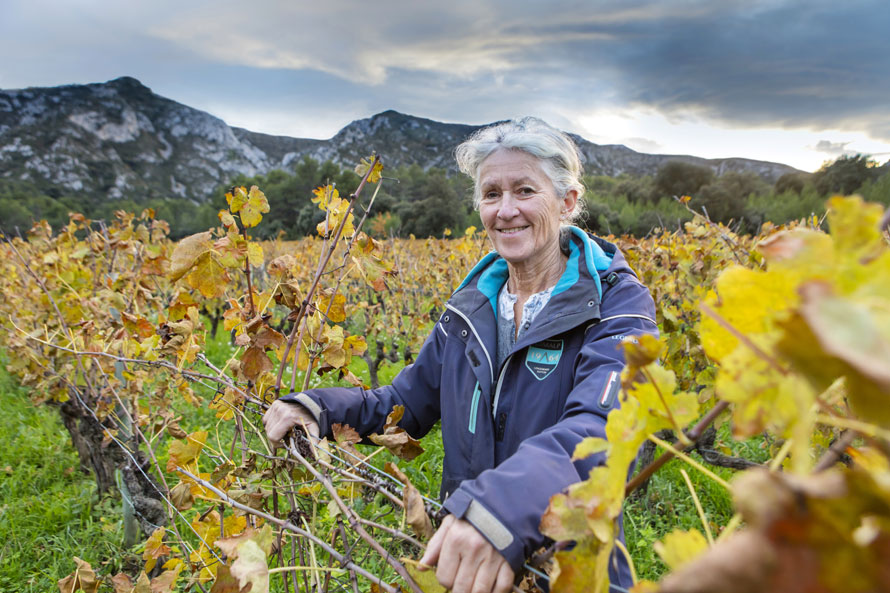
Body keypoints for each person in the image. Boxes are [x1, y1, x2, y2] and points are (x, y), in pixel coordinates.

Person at [263, 117, 658, 593]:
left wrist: (499, 509)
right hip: (469, 565)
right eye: (492, 194)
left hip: (564, 573)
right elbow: (402, 404)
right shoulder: (471, 306)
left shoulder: (617, 303)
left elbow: (605, 430)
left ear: (568, 201)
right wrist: (318, 408)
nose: (506, 210)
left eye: (525, 191)